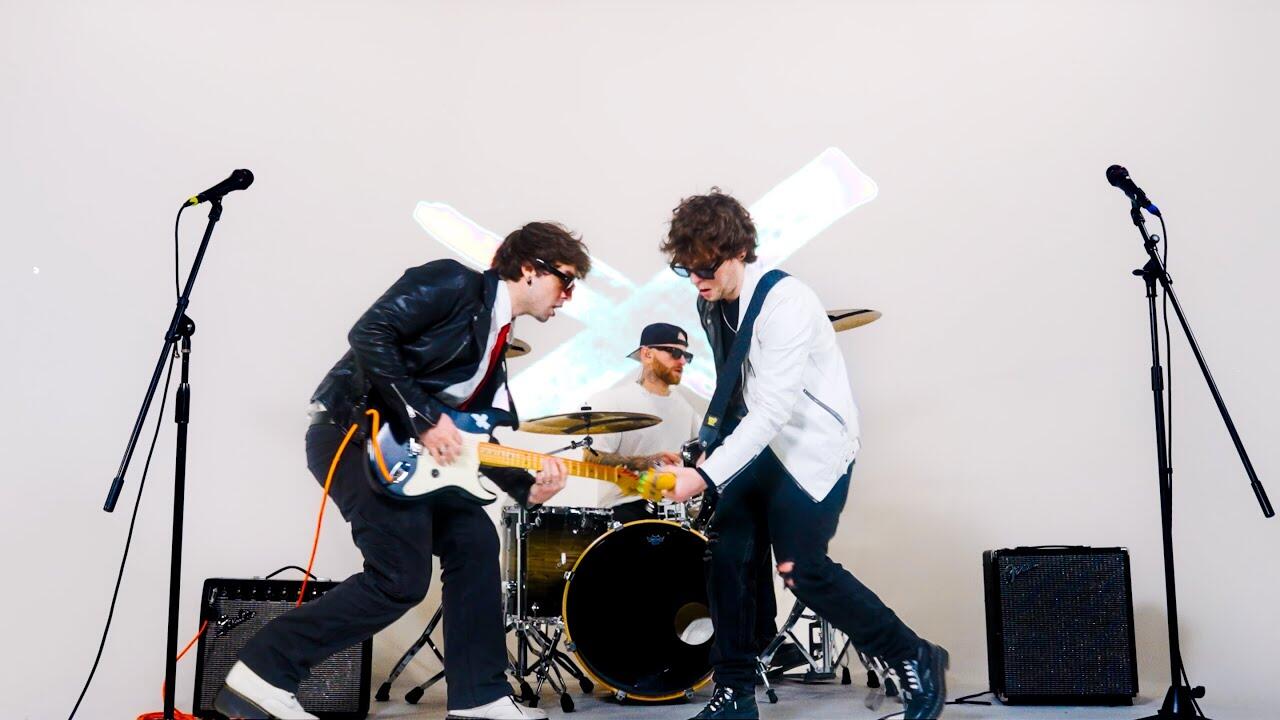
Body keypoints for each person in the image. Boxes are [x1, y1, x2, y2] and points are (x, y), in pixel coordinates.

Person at [214, 222, 592, 720]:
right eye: (566, 280)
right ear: (529, 268)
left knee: (474, 542)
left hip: (411, 457)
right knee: (400, 578)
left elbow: (470, 436)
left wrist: (526, 486)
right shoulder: (454, 283)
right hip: (356, 436)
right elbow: (369, 333)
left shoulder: (496, 338)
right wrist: (424, 416)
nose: (567, 296)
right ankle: (262, 673)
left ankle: (479, 698)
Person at [658, 191, 948, 720]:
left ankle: (913, 654)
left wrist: (704, 476)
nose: (696, 280)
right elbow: (737, 392)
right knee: (726, 555)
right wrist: (706, 451)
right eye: (686, 269)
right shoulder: (710, 302)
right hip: (758, 446)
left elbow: (772, 409)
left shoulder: (786, 303)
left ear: (738, 251)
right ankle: (735, 692)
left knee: (801, 569)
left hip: (809, 447)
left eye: (705, 268)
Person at [585, 322, 701, 524]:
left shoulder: (687, 408)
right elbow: (590, 459)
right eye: (674, 352)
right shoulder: (613, 401)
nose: (682, 361)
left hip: (676, 515)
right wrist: (645, 462)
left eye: (686, 355)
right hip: (625, 514)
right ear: (647, 354)